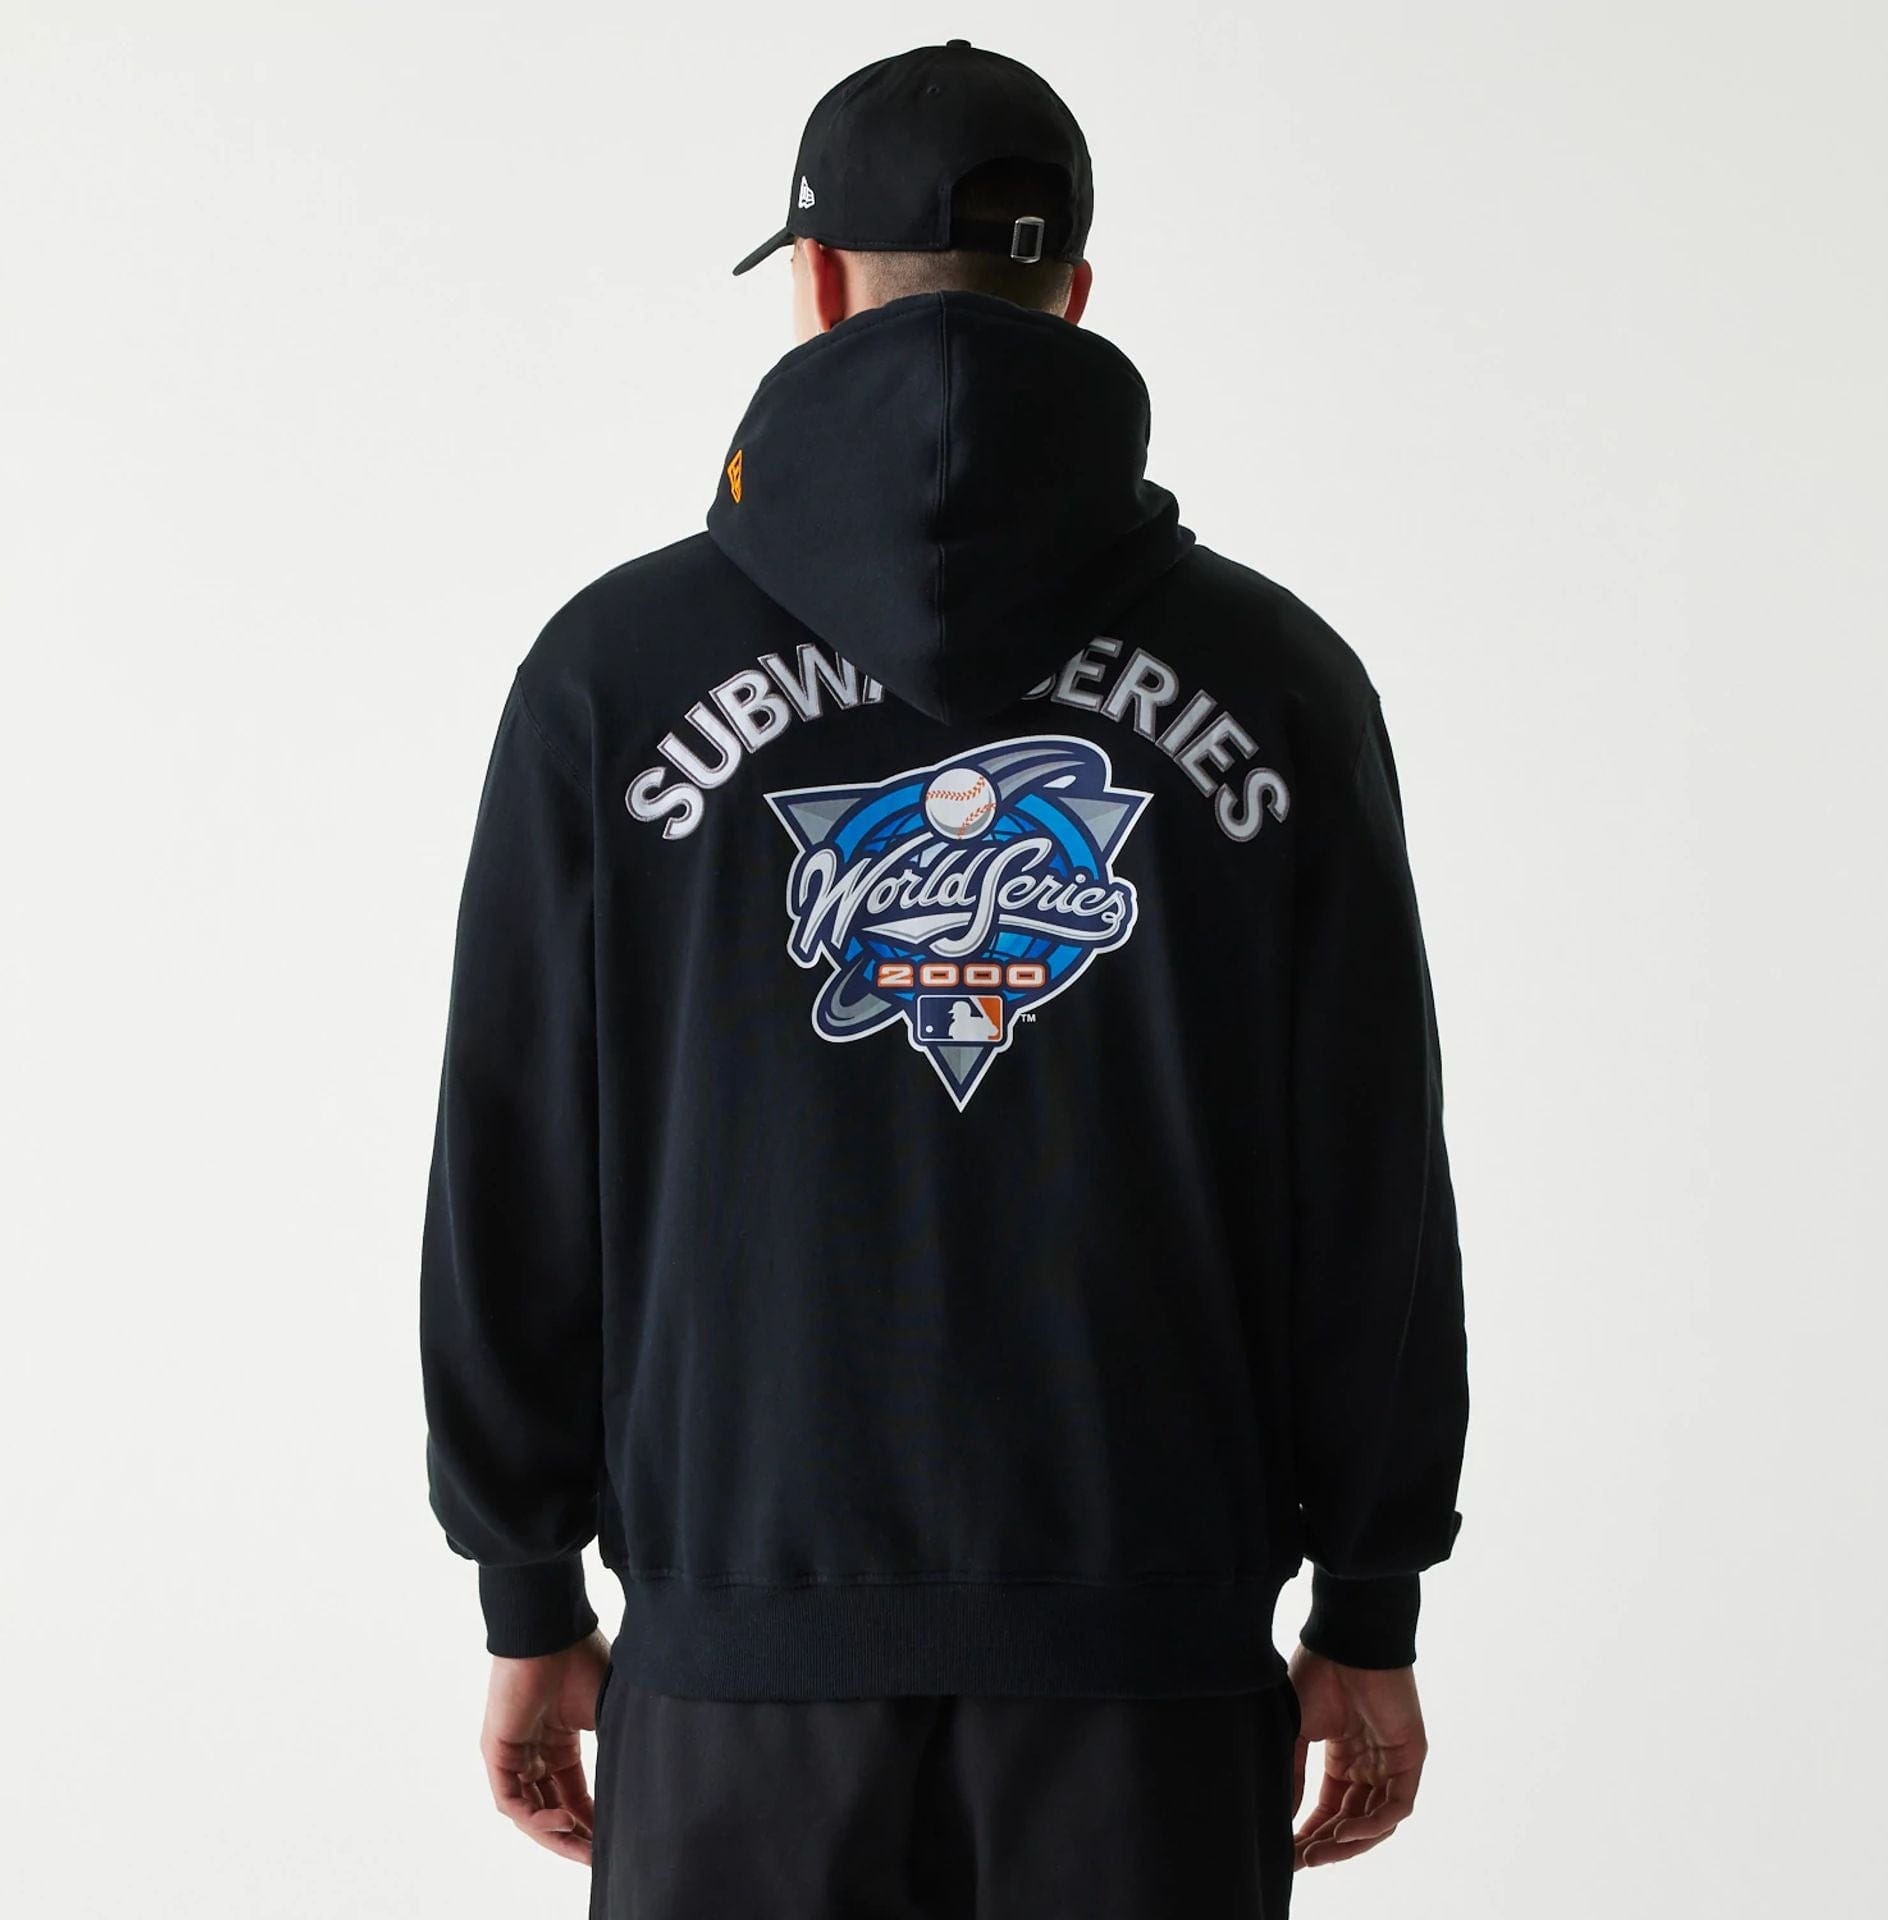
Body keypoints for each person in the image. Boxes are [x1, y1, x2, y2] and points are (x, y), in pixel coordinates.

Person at [418, 38, 1468, 1920]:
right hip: (1151, 1677)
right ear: (1077, 292)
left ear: (818, 284)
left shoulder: (609, 676)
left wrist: (529, 1589)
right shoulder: (1281, 683)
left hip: (738, 1674)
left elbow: (512, 1159)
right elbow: (1372, 1179)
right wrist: (1368, 1602)